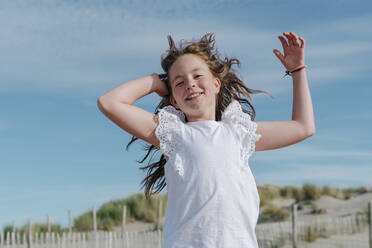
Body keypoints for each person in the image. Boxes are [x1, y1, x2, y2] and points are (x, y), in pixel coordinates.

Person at [97, 32, 315, 247]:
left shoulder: (239, 133)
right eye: (179, 82)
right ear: (173, 99)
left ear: (216, 84)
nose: (190, 84)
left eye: (197, 75)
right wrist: (154, 81)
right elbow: (109, 102)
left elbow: (303, 127)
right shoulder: (173, 134)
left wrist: (297, 71)